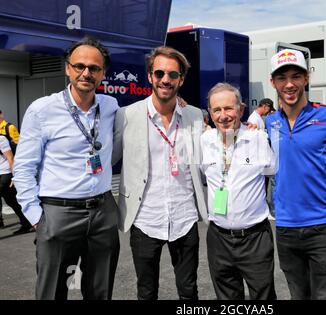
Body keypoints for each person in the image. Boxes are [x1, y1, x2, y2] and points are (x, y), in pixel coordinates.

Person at [13, 38, 120, 300]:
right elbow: (24, 168)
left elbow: (146, 117)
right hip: (58, 213)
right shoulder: (42, 110)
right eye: (80, 66)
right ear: (67, 69)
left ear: (103, 73)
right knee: (52, 292)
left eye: (94, 68)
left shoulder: (110, 107)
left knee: (100, 290)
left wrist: (178, 103)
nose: (87, 73)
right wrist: (38, 218)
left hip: (103, 212)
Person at [113, 46, 208, 300]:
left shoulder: (195, 116)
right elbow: (108, 158)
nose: (165, 79)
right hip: (145, 220)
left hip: (185, 218)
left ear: (181, 80)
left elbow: (217, 145)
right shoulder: (127, 116)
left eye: (172, 75)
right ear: (150, 76)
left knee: (189, 291)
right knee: (146, 292)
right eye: (160, 73)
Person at [265, 49, 326, 300]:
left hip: (324, 224)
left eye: (296, 76)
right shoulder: (267, 123)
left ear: (307, 78)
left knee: (325, 296)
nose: (289, 84)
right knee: (298, 295)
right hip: (286, 226)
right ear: (273, 82)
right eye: (282, 77)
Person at [201, 83, 276, 300]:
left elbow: (274, 171)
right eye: (217, 110)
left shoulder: (258, 139)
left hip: (255, 239)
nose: (223, 116)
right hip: (218, 238)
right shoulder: (204, 141)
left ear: (241, 110)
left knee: (263, 299)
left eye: (229, 108)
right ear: (210, 113)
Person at [0, 135, 32, 233]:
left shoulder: (1, 139)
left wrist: (15, 177)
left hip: (6, 172)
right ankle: (27, 222)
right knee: (11, 200)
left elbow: (10, 158)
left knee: (11, 199)